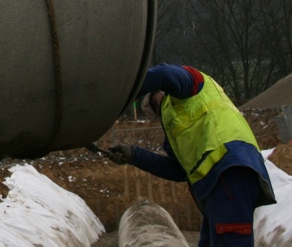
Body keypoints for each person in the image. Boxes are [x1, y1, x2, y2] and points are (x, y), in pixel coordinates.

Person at [108, 63, 275, 246]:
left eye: (157, 100)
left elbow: (165, 75)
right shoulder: (175, 122)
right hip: (217, 184)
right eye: (156, 107)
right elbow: (178, 170)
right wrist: (133, 155)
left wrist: (119, 90)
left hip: (230, 170)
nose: (160, 105)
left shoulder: (194, 86)